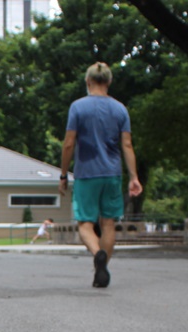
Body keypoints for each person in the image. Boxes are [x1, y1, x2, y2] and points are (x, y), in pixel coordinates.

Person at [59, 62, 142, 289]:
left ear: (88, 82)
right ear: (109, 81)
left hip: (87, 173)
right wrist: (133, 176)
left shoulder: (78, 107)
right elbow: (127, 145)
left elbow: (68, 144)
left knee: (85, 224)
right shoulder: (120, 109)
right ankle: (101, 270)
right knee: (108, 224)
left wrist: (64, 174)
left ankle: (98, 255)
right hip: (112, 174)